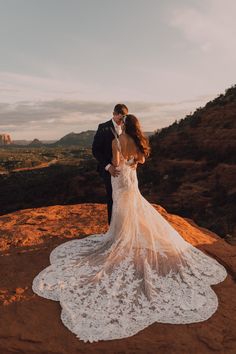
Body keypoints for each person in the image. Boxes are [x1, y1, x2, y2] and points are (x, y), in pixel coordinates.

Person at [32, 114, 227, 343]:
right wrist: (132, 160)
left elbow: (115, 164)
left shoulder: (117, 141)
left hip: (119, 180)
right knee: (134, 207)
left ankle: (120, 236)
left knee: (121, 209)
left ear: (125, 124)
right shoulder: (137, 142)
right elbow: (141, 161)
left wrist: (118, 163)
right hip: (132, 179)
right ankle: (127, 235)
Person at [92, 103, 132, 224]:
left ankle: (124, 225)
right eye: (120, 117)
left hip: (124, 170)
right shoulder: (103, 127)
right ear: (114, 114)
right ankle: (112, 227)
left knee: (125, 198)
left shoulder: (127, 128)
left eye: (124, 118)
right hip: (109, 170)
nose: (122, 121)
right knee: (112, 197)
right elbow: (95, 150)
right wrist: (108, 167)